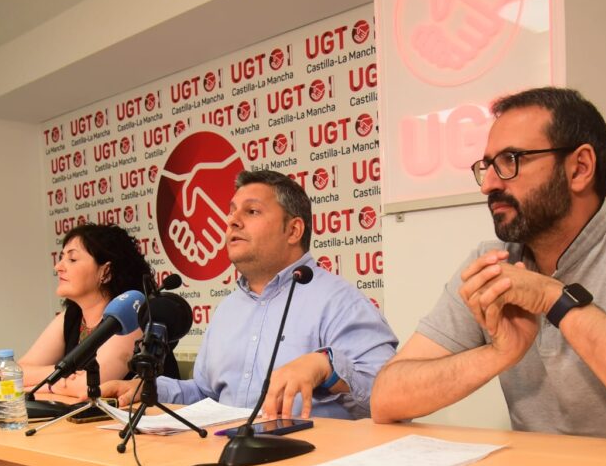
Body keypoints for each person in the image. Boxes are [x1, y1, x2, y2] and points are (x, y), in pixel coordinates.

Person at [371, 87, 606, 454]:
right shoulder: (495, 261)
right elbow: (386, 399)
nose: (490, 184)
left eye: (511, 160)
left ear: (579, 168)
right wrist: (498, 354)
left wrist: (554, 299)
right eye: (487, 166)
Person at [102, 169, 397, 419]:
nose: (232, 221)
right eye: (232, 211)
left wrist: (328, 369)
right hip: (224, 465)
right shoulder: (229, 309)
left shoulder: (339, 302)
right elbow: (206, 394)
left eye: (252, 211)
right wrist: (148, 389)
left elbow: (392, 398)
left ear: (293, 231)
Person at [20, 223, 176, 397]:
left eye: (72, 260)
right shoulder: (71, 317)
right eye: (62, 258)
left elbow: (87, 388)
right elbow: (14, 373)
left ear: (106, 272)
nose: (58, 267)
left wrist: (48, 384)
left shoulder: (130, 318)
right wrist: (65, 376)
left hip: (147, 420)